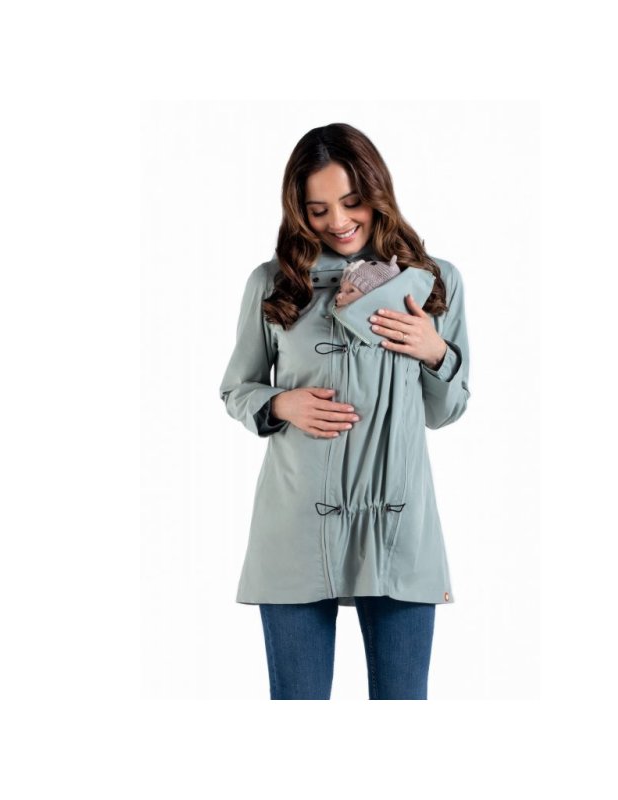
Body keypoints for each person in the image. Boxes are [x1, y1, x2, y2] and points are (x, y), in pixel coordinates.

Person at [219, 122, 471, 700]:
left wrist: (434, 350)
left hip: (398, 527)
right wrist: (280, 401)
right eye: (318, 209)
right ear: (298, 211)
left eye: (352, 201)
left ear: (378, 193)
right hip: (296, 525)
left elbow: (446, 412)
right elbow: (236, 388)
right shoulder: (272, 283)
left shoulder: (433, 283)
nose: (338, 221)